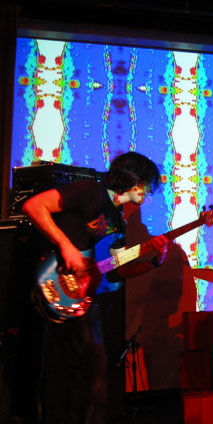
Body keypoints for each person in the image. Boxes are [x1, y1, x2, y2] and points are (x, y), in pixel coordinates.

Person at [21, 151, 169, 424]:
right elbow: (34, 206)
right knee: (88, 366)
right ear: (135, 183)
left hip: (84, 298)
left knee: (93, 371)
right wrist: (67, 247)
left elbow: (115, 272)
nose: (147, 194)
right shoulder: (91, 191)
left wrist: (153, 262)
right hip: (59, 283)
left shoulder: (116, 219)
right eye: (147, 186)